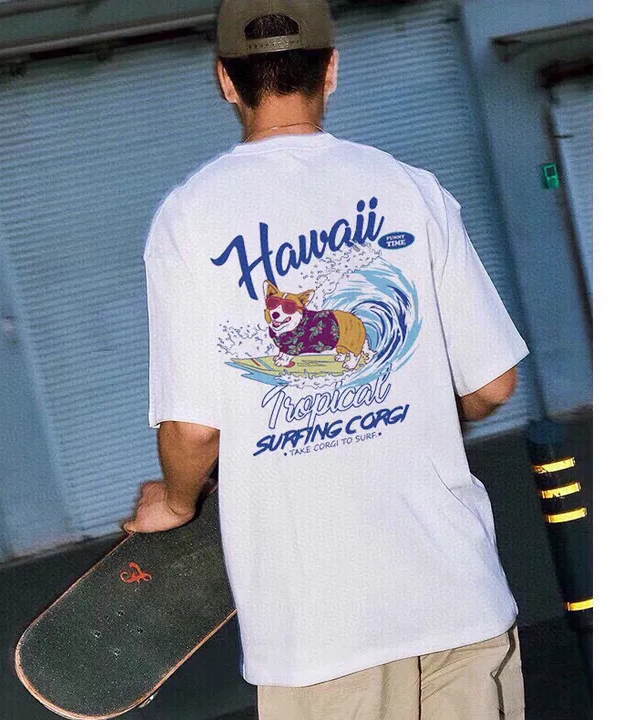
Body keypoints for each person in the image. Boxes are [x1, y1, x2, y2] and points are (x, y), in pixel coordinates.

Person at [124, 1, 528, 717]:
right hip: (458, 598)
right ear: (331, 71)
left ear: (225, 80)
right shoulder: (411, 189)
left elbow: (193, 430)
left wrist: (178, 502)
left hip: (319, 633)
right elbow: (493, 384)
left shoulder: (190, 218)